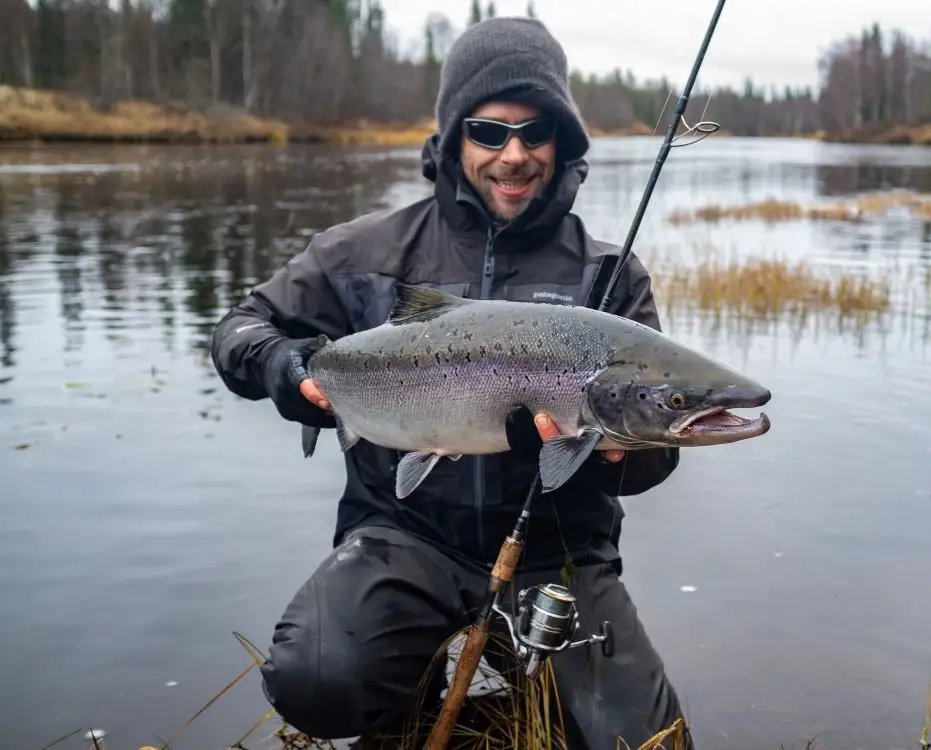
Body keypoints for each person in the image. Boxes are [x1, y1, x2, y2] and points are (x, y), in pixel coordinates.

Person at [210, 15, 693, 750]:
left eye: (536, 132)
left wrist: (617, 454)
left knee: (643, 743)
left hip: (557, 552)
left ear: (563, 142)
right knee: (317, 679)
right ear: (453, 138)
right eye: (490, 132)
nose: (515, 155)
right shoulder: (363, 252)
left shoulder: (608, 277)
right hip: (404, 534)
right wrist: (286, 370)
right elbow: (239, 331)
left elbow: (657, 453)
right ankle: (402, 697)